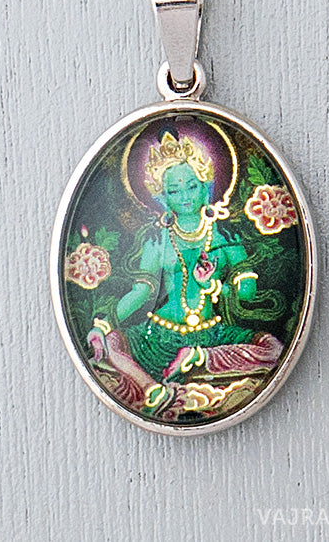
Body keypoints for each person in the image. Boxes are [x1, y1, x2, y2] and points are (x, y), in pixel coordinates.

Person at [87, 130, 282, 414]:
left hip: (212, 334)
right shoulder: (157, 239)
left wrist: (213, 286)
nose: (185, 197)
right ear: (162, 197)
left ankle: (198, 357)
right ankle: (152, 390)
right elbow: (141, 293)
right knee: (111, 344)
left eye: (191, 187)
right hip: (159, 336)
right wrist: (103, 325)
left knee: (272, 348)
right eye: (174, 192)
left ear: (206, 187)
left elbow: (247, 291)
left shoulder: (224, 235)